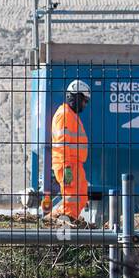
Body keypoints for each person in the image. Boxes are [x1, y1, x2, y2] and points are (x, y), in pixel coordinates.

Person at [50, 79, 90, 221]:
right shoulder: (65, 115)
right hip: (67, 163)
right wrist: (66, 166)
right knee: (71, 196)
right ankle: (65, 222)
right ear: (75, 97)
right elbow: (62, 144)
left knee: (81, 194)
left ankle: (63, 218)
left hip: (74, 163)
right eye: (84, 100)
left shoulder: (71, 115)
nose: (85, 104)